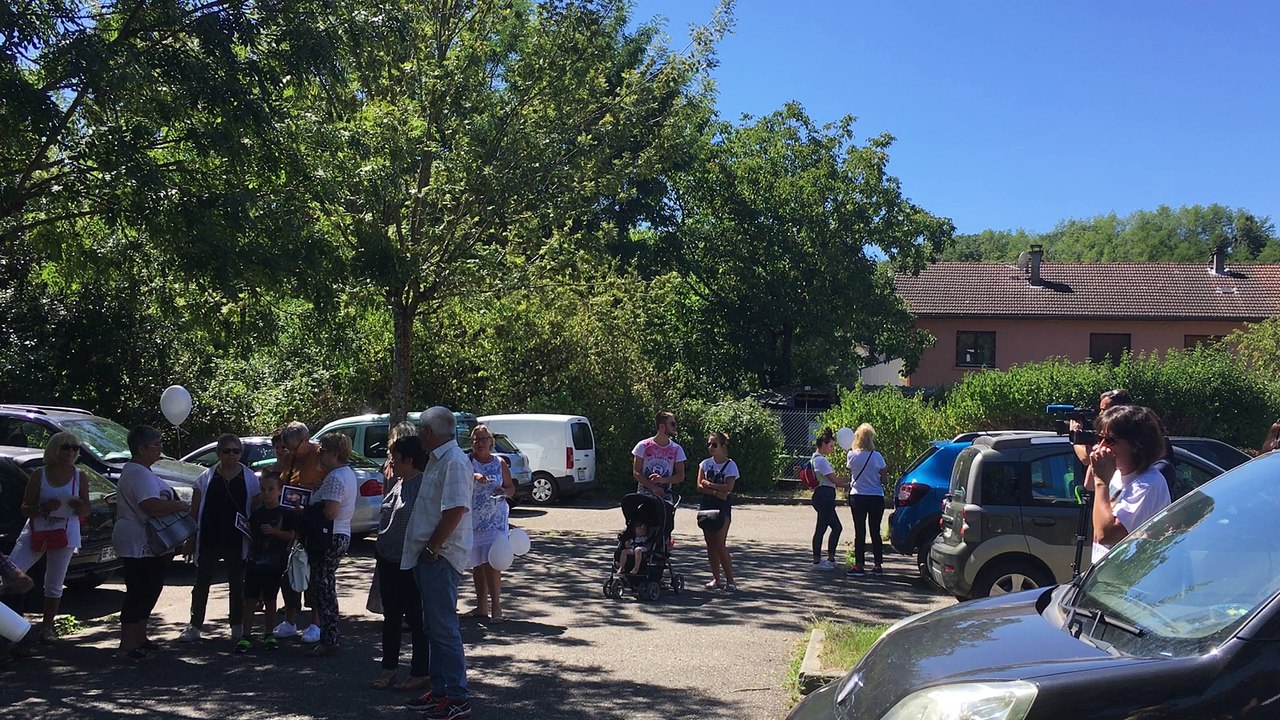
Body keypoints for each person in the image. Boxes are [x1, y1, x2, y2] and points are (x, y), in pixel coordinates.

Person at [402, 406, 473, 720]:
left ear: (429, 432)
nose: (418, 434)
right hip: (430, 556)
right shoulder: (438, 459)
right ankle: (442, 692)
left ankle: (458, 698)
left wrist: (432, 548)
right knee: (434, 627)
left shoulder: (454, 462)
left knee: (444, 629)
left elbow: (455, 511)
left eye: (420, 428)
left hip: (440, 557)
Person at [112, 425, 190, 659]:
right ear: (141, 448)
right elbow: (151, 506)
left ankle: (140, 636)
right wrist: (178, 505)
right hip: (138, 540)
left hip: (147, 540)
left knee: (151, 587)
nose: (160, 448)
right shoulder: (138, 473)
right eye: (156, 444)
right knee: (138, 589)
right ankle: (127, 644)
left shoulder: (142, 471)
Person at [8, 432, 91, 642]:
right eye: (66, 447)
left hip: (65, 531)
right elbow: (25, 508)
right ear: (55, 449)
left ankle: (47, 629)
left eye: (75, 448)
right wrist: (43, 508)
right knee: (12, 571)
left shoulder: (80, 476)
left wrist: (80, 507)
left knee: (54, 582)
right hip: (37, 529)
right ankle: (10, 623)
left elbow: (86, 510)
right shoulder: (40, 475)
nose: (71, 452)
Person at [180, 434, 260, 645]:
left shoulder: (250, 478)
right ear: (218, 453)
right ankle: (195, 625)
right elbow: (195, 511)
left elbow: (255, 509)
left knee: (236, 582)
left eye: (236, 451)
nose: (232, 455)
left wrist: (255, 535)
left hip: (236, 538)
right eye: (227, 451)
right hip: (209, 536)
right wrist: (190, 538)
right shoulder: (205, 478)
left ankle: (236, 624)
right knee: (201, 583)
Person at [373, 436, 430, 690]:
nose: (391, 462)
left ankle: (420, 671)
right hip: (387, 560)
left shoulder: (424, 487)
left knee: (417, 620)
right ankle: (389, 668)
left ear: (409, 460)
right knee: (391, 618)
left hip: (411, 563)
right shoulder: (397, 482)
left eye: (395, 458)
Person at [1090, 405, 1173, 562]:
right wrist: (1095, 462)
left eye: (1109, 441)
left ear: (1136, 445)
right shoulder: (1115, 473)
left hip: (1129, 579)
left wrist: (1100, 482)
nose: (1101, 447)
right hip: (1105, 574)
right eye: (1099, 439)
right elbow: (1088, 485)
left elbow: (1106, 535)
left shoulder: (1149, 483)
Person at [304, 432, 358, 657]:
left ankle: (329, 638)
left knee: (324, 589)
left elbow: (330, 512)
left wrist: (304, 513)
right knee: (326, 586)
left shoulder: (336, 477)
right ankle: (330, 635)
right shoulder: (343, 475)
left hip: (330, 536)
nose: (319, 456)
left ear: (335, 454)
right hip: (341, 534)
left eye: (323, 452)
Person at [274, 421, 325, 642]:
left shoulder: (322, 455)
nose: (292, 452)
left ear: (306, 440)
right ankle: (290, 619)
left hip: (313, 521)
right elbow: (284, 482)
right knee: (289, 571)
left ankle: (316, 623)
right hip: (292, 519)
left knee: (313, 572)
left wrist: (311, 488)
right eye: (289, 449)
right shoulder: (289, 458)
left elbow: (327, 486)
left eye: (295, 447)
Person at [236, 472, 296, 653]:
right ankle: (246, 635)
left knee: (270, 599)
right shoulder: (257, 513)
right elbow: (252, 534)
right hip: (255, 562)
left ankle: (269, 633)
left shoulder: (285, 513)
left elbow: (291, 535)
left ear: (279, 491)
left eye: (271, 489)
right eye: (263, 489)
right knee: (250, 599)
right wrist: (246, 528)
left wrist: (274, 532)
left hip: (274, 563)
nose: (267, 493)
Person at [465, 424, 514, 622]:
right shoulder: (467, 462)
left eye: (484, 439)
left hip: (496, 518)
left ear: (491, 442)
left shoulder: (500, 462)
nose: (480, 443)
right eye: (476, 440)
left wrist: (505, 492)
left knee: (493, 562)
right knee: (477, 563)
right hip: (474, 519)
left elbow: (510, 488)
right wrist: (474, 476)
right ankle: (481, 606)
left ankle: (496, 606)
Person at [845, 424, 890, 577]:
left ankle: (859, 565)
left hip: (858, 495)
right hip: (876, 496)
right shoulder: (877, 456)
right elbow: (885, 480)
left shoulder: (852, 455)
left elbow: (851, 471)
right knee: (875, 531)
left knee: (860, 530)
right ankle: (877, 565)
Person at [696, 432, 737, 591]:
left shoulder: (731, 465)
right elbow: (699, 486)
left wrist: (710, 484)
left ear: (722, 446)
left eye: (714, 444)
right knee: (710, 544)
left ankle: (730, 580)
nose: (710, 447)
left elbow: (729, 487)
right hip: (707, 505)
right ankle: (716, 578)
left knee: (720, 544)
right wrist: (715, 491)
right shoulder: (704, 464)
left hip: (723, 508)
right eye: (709, 444)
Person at [809, 429, 848, 571]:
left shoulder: (815, 458)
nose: (832, 449)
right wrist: (850, 483)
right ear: (823, 445)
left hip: (822, 495)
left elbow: (833, 479)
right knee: (822, 528)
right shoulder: (821, 460)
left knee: (835, 527)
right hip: (824, 496)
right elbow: (834, 480)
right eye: (831, 446)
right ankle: (817, 561)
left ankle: (828, 559)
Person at [632, 411, 686, 503]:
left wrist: (662, 480)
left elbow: (680, 476)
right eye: (672, 424)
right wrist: (653, 487)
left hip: (666, 499)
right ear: (662, 426)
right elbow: (636, 472)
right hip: (643, 497)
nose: (675, 427)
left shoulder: (677, 449)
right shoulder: (643, 446)